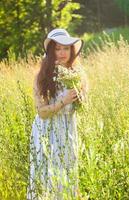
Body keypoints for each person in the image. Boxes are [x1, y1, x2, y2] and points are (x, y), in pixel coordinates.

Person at [27, 28, 88, 200]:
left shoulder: (78, 74)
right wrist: (64, 101)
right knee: (46, 177)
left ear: (71, 50)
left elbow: (85, 105)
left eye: (66, 48)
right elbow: (42, 113)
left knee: (66, 177)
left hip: (68, 131)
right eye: (58, 48)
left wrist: (80, 99)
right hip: (46, 132)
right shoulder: (42, 77)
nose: (62, 53)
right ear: (51, 51)